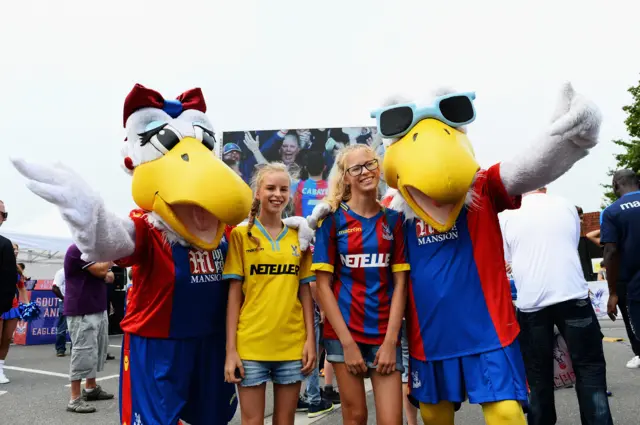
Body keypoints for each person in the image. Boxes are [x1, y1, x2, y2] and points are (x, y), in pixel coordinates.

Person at [312, 144, 409, 425]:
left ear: (379, 168)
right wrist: (348, 344)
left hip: (384, 334)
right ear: (345, 177)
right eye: (356, 168)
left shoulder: (395, 220)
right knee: (355, 417)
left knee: (392, 421)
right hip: (344, 335)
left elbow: (400, 284)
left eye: (370, 164)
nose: (365, 172)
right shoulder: (331, 221)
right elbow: (322, 287)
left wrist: (391, 341)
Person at [501, 187, 613, 425]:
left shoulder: (507, 215)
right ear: (544, 187)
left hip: (532, 303)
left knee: (538, 377)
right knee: (590, 370)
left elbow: (508, 260)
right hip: (572, 295)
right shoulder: (566, 205)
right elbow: (571, 245)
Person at [223, 162, 317, 425]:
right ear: (258, 192)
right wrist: (231, 350)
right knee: (252, 421)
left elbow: (305, 293)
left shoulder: (300, 238)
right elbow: (234, 296)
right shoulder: (242, 236)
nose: (277, 194)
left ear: (290, 194)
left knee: (285, 421)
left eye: (283, 189)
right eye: (271, 188)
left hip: (291, 345)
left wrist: (310, 340)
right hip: (251, 345)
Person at [63, 244, 115, 413]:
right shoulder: (77, 249)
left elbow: (110, 276)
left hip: (97, 306)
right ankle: (74, 398)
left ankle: (91, 388)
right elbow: (102, 272)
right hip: (82, 309)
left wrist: (104, 268)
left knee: (96, 349)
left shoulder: (94, 251)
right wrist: (111, 258)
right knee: (82, 351)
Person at [603, 169, 640, 357]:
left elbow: (611, 251)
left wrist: (612, 293)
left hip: (633, 287)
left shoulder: (612, 212)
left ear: (615, 185)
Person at [0, 242, 28, 384]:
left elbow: (22, 288)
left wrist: (28, 306)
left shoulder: (17, 269)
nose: (15, 251)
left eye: (16, 249)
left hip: (12, 307)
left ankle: (0, 370)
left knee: (6, 339)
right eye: (12, 249)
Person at [52, 267, 70, 357]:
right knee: (62, 327)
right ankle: (60, 349)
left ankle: (75, 349)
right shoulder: (62, 272)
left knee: (76, 327)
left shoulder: (78, 270)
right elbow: (54, 287)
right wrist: (64, 298)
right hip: (65, 302)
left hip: (76, 301)